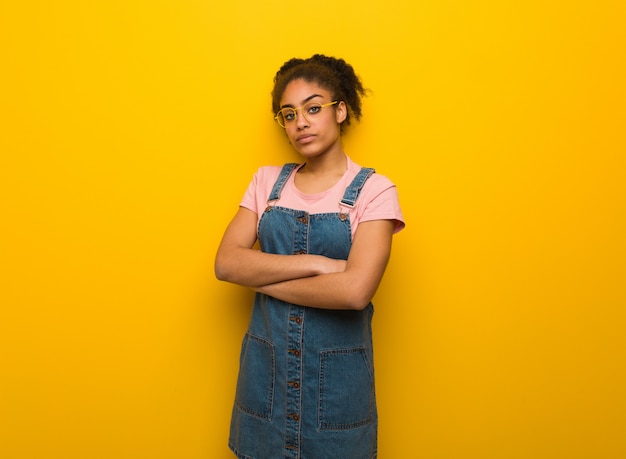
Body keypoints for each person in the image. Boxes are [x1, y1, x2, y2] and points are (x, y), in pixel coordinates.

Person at [215, 54, 405, 459]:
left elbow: (355, 292)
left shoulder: (376, 191)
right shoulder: (266, 182)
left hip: (334, 395)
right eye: (288, 114)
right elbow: (227, 264)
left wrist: (261, 275)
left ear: (340, 111)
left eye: (313, 108)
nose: (300, 122)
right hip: (265, 385)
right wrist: (319, 265)